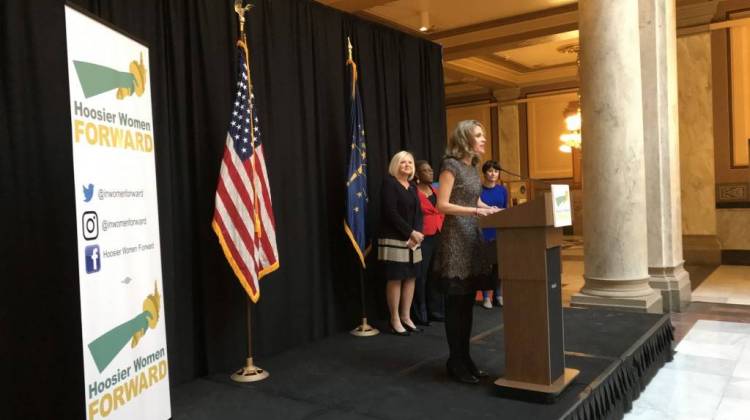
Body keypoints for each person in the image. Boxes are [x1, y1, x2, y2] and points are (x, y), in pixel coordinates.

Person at [432, 120, 500, 384]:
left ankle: (466, 358)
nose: (484, 139)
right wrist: (476, 211)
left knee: (468, 306)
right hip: (455, 240)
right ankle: (455, 361)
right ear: (464, 139)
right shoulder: (450, 165)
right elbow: (442, 205)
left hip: (472, 237)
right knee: (456, 305)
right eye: (479, 135)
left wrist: (488, 208)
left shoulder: (472, 168)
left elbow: (473, 199)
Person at [378, 151, 424, 336]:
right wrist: (410, 232)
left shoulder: (413, 187)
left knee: (411, 277)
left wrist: (417, 232)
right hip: (394, 237)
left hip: (413, 239)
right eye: (402, 162)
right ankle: (394, 319)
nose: (407, 165)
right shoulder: (389, 183)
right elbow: (391, 213)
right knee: (396, 277)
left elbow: (418, 213)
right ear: (395, 165)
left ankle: (406, 317)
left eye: (410, 162)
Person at [411, 160, 445, 326]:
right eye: (425, 170)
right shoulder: (413, 191)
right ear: (417, 174)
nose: (430, 172)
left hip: (439, 235)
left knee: (435, 274)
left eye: (431, 170)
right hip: (422, 238)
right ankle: (420, 313)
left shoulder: (436, 190)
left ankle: (436, 311)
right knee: (421, 276)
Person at [479, 160, 508, 309]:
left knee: (499, 265)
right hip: (483, 231)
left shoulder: (503, 190)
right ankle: (485, 297)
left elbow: (506, 209)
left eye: (496, 171)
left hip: (499, 230)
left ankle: (498, 295)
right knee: (486, 266)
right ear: (484, 173)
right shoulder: (478, 190)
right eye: (490, 171)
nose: (493, 174)